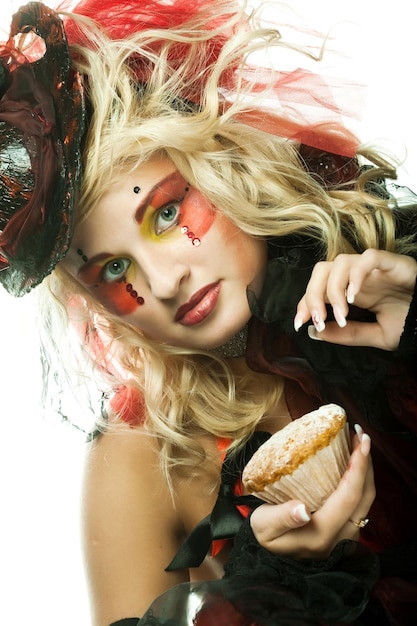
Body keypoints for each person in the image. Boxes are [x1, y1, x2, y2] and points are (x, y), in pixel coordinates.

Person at [1, 1, 417, 625]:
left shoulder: (380, 269)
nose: (166, 283)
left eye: (167, 213)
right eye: (114, 269)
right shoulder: (139, 458)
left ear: (220, 159)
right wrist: (285, 583)